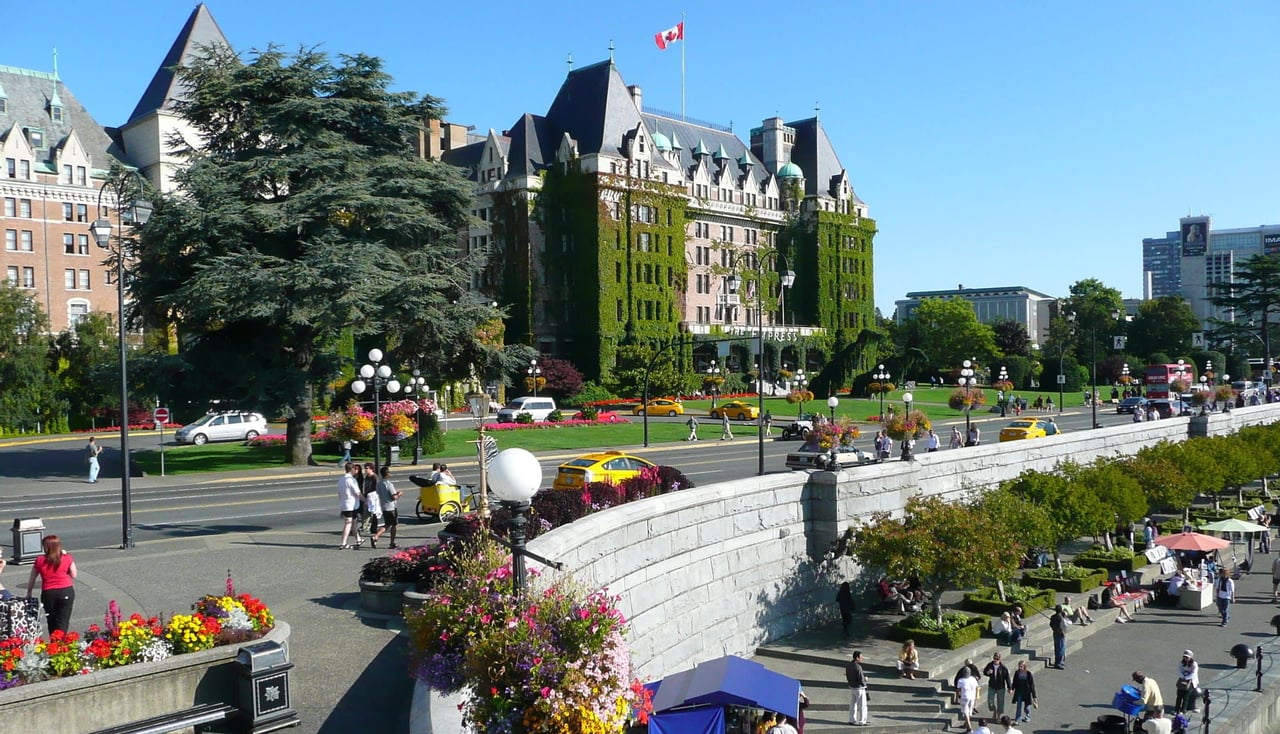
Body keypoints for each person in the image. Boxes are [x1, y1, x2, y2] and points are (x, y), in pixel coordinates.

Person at [24, 535, 77, 635]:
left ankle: (54, 643)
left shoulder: (40, 560)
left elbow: (32, 578)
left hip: (48, 593)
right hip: (65, 590)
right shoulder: (67, 558)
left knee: (51, 620)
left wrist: (29, 592)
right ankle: (61, 645)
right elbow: (74, 574)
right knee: (63, 621)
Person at [337, 462, 365, 549]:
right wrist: (365, 501)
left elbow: (339, 493)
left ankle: (358, 539)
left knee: (354, 522)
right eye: (354, 469)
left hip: (344, 504)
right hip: (351, 505)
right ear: (352, 469)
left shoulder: (341, 479)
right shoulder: (351, 480)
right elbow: (358, 493)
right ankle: (343, 543)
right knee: (348, 523)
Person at [983, 652, 1011, 718]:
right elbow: (984, 672)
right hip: (992, 686)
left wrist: (1010, 688)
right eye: (994, 658)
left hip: (1000, 687)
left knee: (1000, 702)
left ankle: (998, 715)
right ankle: (994, 710)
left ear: (1000, 659)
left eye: (997, 659)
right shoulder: (990, 665)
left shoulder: (1003, 668)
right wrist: (988, 672)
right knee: (990, 701)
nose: (995, 660)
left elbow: (1007, 678)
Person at [845, 650, 869, 726]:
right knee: (862, 705)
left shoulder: (849, 665)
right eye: (861, 657)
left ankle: (852, 719)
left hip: (852, 687)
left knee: (853, 704)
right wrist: (865, 680)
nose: (862, 658)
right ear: (857, 658)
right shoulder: (858, 666)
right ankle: (862, 721)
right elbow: (861, 679)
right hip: (859, 688)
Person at [1174, 650, 1200, 715]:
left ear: (1191, 657)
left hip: (1191, 682)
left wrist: (1186, 677)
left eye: (1187, 657)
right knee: (1179, 696)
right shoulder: (1181, 663)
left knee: (1186, 696)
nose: (1185, 658)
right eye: (1184, 657)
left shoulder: (1194, 664)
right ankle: (1176, 709)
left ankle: (1183, 710)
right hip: (1182, 681)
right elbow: (1179, 670)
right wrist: (1183, 676)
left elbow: (1194, 673)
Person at [955, 666, 979, 732]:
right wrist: (976, 696)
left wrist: (956, 699)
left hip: (965, 697)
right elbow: (977, 687)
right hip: (972, 697)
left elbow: (958, 690)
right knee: (970, 711)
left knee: (966, 712)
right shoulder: (973, 679)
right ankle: (966, 724)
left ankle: (969, 728)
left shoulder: (961, 680)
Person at [1049, 605, 1067, 669]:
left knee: (1057, 648)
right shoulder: (1060, 618)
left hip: (1055, 633)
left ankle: (1059, 661)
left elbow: (1051, 624)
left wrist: (1054, 629)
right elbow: (1062, 626)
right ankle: (1058, 663)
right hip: (1060, 635)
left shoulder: (1053, 617)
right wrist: (1062, 633)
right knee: (1061, 648)